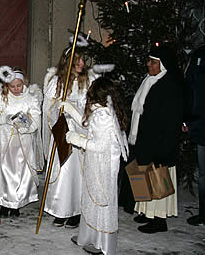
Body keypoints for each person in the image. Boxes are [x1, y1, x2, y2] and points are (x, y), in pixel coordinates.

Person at [64, 77, 129, 255]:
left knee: (101, 201)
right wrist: (70, 109)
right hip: (98, 164)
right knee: (92, 199)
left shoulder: (103, 116)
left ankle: (103, 243)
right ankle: (88, 236)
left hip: (102, 165)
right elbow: (87, 124)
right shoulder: (103, 111)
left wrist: (75, 139)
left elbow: (99, 145)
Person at [129, 43, 184, 233]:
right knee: (144, 177)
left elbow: (171, 121)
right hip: (146, 141)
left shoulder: (169, 86)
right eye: (148, 61)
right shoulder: (149, 81)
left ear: (163, 65)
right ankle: (145, 212)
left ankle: (159, 220)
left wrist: (164, 149)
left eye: (152, 62)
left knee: (158, 181)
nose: (148, 65)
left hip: (160, 145)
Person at [42, 47, 97, 228]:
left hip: (81, 132)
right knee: (62, 170)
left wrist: (78, 112)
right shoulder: (57, 81)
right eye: (77, 61)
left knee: (78, 173)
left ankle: (77, 211)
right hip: (63, 131)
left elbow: (95, 106)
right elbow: (48, 108)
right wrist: (58, 109)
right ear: (68, 62)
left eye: (83, 61)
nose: (81, 64)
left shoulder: (89, 80)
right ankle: (61, 209)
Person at [0, 66, 43, 218]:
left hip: (22, 143)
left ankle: (16, 203)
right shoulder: (2, 97)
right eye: (12, 86)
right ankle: (5, 202)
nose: (16, 89)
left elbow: (36, 119)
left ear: (23, 83)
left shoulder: (30, 98)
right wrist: (5, 119)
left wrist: (26, 126)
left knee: (20, 173)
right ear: (7, 85)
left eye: (19, 85)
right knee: (5, 172)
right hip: (5, 142)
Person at [184, 43, 205, 226]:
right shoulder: (202, 54)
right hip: (204, 125)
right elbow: (190, 89)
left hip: (204, 125)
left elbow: (190, 89)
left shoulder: (202, 54)